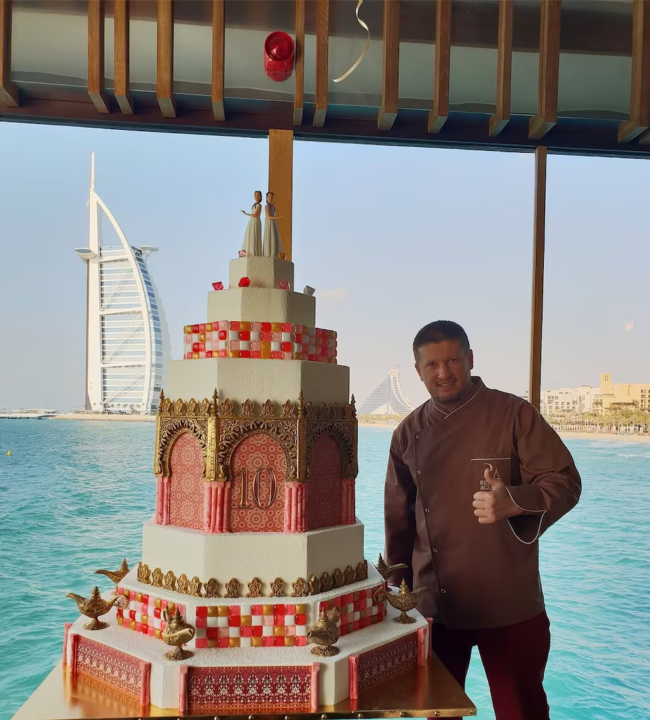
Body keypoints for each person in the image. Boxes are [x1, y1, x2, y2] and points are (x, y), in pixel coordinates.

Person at [383, 320, 581, 720]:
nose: (444, 372)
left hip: (508, 603)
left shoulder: (514, 414)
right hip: (434, 604)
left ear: (470, 359)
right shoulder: (407, 433)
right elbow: (398, 522)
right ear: (418, 371)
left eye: (453, 360)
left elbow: (565, 481)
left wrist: (514, 501)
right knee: (435, 713)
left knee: (522, 711)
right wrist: (395, 599)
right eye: (432, 364)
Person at [241, 191, 263, 256]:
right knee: (250, 235)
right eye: (255, 195)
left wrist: (246, 214)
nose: (256, 196)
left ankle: (254, 252)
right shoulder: (254, 205)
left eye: (258, 195)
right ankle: (249, 252)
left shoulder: (259, 205)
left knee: (254, 235)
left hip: (255, 221)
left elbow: (256, 215)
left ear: (260, 197)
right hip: (252, 221)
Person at [263, 191, 284, 258]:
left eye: (272, 196)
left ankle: (275, 254)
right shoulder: (267, 206)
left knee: (274, 238)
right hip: (269, 223)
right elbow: (268, 216)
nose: (270, 198)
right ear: (267, 198)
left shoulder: (273, 207)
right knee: (270, 237)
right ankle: (269, 254)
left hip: (273, 223)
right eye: (269, 196)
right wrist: (277, 218)